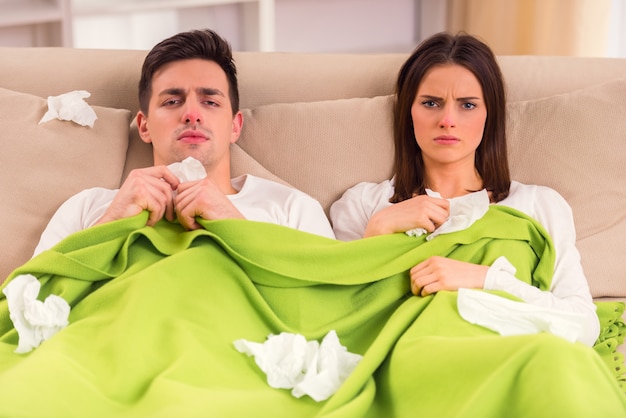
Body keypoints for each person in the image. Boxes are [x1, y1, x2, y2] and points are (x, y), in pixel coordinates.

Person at [330, 32, 600, 347]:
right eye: (431, 103)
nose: (447, 120)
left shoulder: (539, 205)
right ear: (408, 112)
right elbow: (342, 326)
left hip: (517, 358)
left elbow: (583, 325)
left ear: (490, 115)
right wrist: (377, 232)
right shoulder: (364, 204)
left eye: (467, 105)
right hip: (416, 361)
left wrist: (484, 280)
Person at [34, 29, 334, 255]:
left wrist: (235, 225)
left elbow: (329, 306)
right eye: (173, 101)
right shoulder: (88, 208)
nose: (192, 115)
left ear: (235, 126)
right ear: (144, 126)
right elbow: (24, 305)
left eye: (210, 102)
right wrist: (110, 223)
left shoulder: (291, 209)